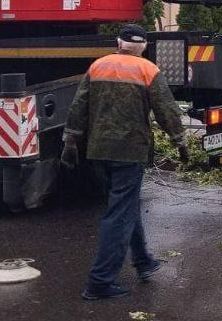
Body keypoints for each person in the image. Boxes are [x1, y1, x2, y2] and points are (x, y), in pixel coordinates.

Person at [62, 24, 191, 300]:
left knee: (125, 205)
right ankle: (99, 283)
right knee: (118, 215)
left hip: (98, 151)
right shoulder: (148, 70)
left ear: (118, 43)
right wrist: (181, 144)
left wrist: (70, 142)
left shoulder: (98, 66)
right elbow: (167, 111)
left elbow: (78, 107)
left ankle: (144, 262)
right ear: (143, 46)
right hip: (129, 152)